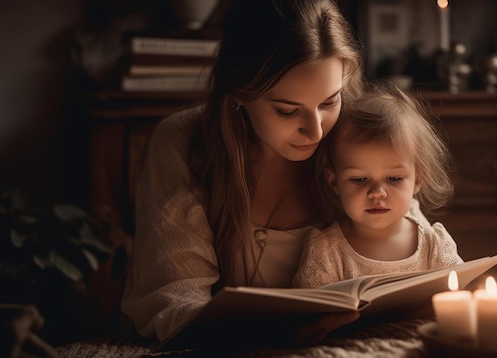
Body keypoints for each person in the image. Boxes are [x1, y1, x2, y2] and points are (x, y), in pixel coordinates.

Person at [120, 0, 364, 349]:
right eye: (286, 111)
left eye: (329, 102)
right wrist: (260, 334)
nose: (315, 131)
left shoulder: (357, 132)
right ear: (238, 95)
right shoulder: (184, 143)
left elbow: (411, 246)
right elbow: (173, 300)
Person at [293, 82, 463, 289]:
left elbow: (458, 297)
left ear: (418, 179)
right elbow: (311, 311)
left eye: (393, 179)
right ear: (333, 181)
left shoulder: (433, 244)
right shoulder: (326, 251)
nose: (377, 193)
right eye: (359, 179)